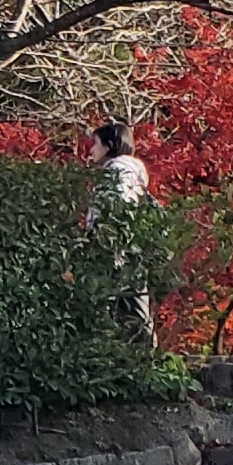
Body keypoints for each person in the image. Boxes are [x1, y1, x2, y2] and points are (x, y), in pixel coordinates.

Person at [89, 118, 157, 340]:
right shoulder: (132, 172)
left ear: (108, 146)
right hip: (132, 251)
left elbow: (116, 211)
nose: (92, 149)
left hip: (117, 253)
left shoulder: (119, 171)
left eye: (96, 143)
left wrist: (104, 242)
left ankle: (142, 361)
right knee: (134, 310)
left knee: (122, 313)